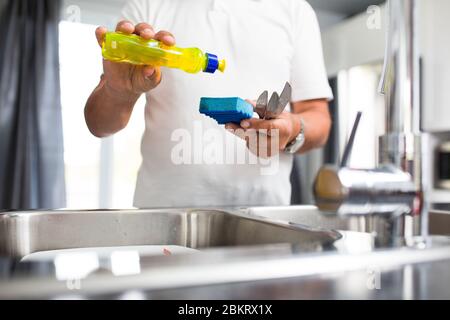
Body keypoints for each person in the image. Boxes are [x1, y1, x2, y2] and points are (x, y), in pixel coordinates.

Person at [85, 0, 333, 208]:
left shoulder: (294, 10)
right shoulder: (148, 5)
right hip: (163, 228)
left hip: (265, 224)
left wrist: (292, 130)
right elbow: (98, 125)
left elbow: (319, 120)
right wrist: (119, 92)